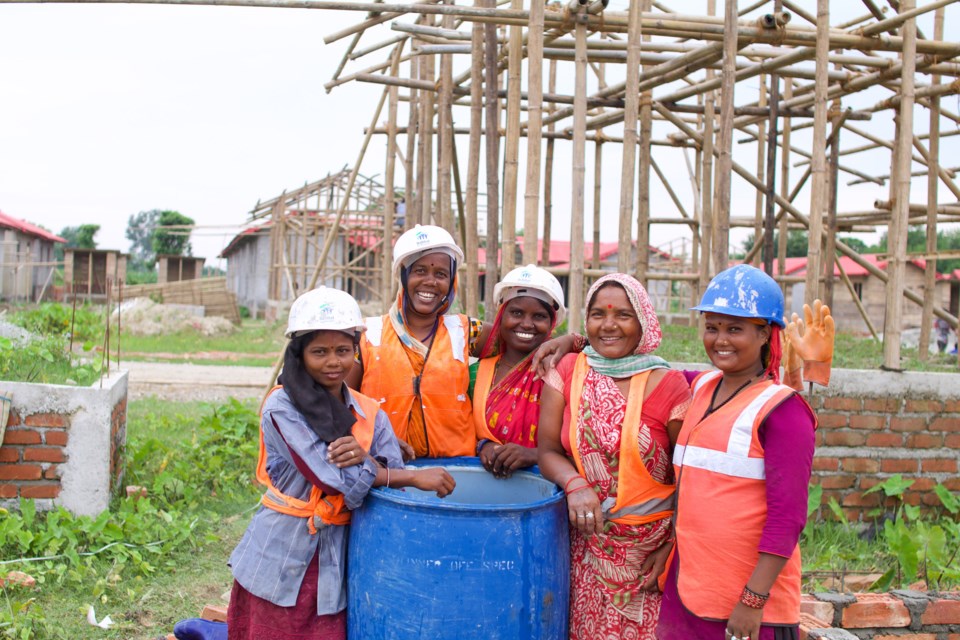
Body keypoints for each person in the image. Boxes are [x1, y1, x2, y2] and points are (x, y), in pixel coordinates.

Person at [227, 286, 454, 640]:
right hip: (282, 555)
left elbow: (387, 482)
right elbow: (332, 477)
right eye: (319, 352)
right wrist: (401, 474)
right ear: (299, 355)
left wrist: (376, 467)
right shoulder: (281, 408)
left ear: (356, 351)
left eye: (343, 351)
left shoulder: (369, 412)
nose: (333, 362)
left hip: (342, 557)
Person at [656, 264, 820, 640]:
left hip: (746, 609)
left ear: (764, 334)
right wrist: (570, 343)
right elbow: (642, 371)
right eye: (712, 327)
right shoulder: (701, 386)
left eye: (735, 329)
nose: (720, 340)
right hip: (690, 591)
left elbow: (788, 518)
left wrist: (752, 601)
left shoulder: (784, 411)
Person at [537, 273, 693, 640]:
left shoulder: (668, 385)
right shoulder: (569, 371)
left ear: (644, 322)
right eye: (597, 314)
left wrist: (672, 545)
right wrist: (575, 484)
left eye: (623, 315)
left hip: (647, 555)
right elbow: (547, 451)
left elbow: (688, 477)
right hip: (585, 547)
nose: (608, 325)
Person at [347, 224, 578, 459]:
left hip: (455, 476)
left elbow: (523, 335)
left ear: (452, 281)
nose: (430, 281)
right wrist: (376, 436)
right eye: (419, 271)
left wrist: (571, 341)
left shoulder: (466, 331)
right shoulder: (368, 335)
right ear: (404, 275)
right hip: (387, 472)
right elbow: (339, 401)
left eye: (441, 274)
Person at [471, 265, 566, 478]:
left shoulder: (563, 372)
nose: (526, 324)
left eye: (539, 316)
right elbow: (459, 432)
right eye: (516, 313)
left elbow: (580, 442)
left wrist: (533, 455)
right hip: (482, 490)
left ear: (551, 323)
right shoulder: (477, 374)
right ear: (501, 316)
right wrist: (483, 446)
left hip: (549, 491)